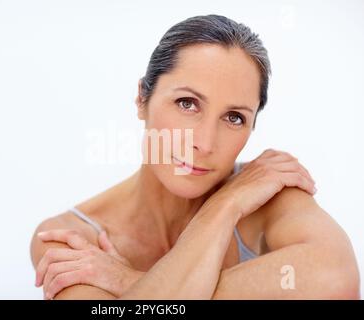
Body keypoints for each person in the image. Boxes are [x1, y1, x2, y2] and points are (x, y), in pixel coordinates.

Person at [30, 14, 360, 299]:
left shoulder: (268, 197)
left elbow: (335, 280)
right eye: (187, 103)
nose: (203, 143)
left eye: (234, 118)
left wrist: (128, 282)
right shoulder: (70, 240)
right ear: (142, 99)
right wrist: (224, 207)